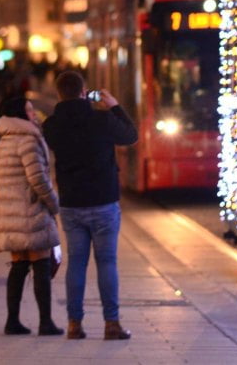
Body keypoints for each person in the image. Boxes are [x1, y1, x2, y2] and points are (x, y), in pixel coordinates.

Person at [42, 71, 138, 341]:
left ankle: (74, 324)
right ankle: (111, 324)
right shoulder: (102, 119)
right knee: (107, 262)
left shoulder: (52, 125)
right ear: (84, 92)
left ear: (60, 93)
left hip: (72, 203)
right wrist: (115, 106)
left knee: (77, 264)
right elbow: (131, 136)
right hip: (104, 201)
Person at [0, 96, 63, 336]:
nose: (34, 115)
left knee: (18, 265)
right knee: (40, 263)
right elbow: (37, 178)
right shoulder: (28, 140)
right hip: (30, 210)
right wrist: (53, 204)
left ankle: (12, 320)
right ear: (19, 115)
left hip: (9, 210)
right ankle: (46, 322)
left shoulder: (3, 141)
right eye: (29, 111)